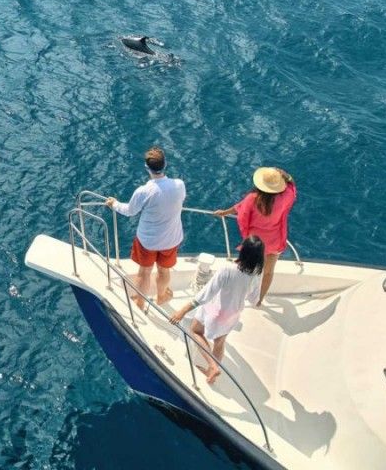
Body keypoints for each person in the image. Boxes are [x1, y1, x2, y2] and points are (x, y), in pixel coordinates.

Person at [169, 236, 265, 384]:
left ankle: (213, 366)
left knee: (195, 331)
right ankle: (211, 374)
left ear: (243, 251)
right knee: (219, 342)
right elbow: (254, 299)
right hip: (233, 314)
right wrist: (258, 301)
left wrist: (183, 310)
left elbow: (207, 293)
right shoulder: (257, 273)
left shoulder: (227, 269)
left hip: (215, 310)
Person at [104, 147, 186, 309]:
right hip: (171, 239)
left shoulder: (143, 191)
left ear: (147, 168)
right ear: (165, 164)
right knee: (164, 270)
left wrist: (114, 204)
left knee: (145, 271)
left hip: (148, 241)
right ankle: (161, 296)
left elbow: (129, 211)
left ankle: (140, 302)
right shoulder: (179, 185)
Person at [212, 166, 296, 306]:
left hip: (254, 243)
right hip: (275, 241)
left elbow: (241, 212)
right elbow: (292, 186)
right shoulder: (286, 197)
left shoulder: (252, 199)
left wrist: (225, 212)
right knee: (268, 272)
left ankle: (235, 297)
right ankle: (259, 300)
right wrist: (286, 175)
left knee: (243, 270)